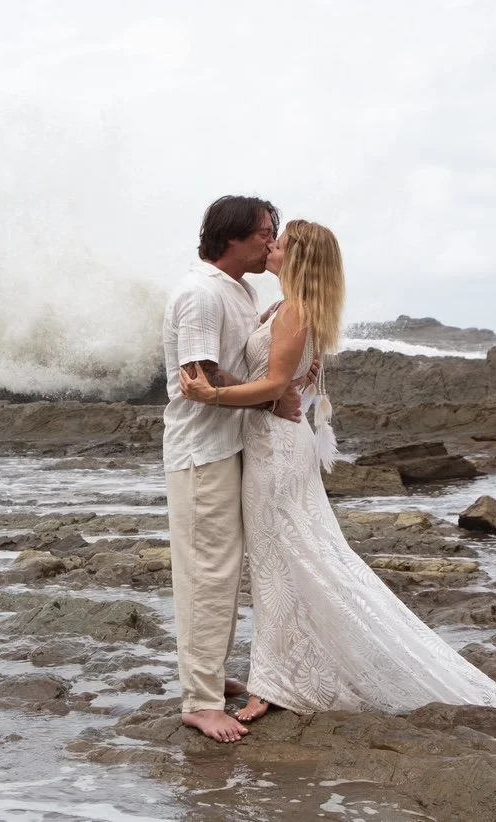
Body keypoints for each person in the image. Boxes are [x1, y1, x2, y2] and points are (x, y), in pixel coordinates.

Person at [181, 219, 496, 720]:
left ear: (298, 258)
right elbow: (281, 383)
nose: (271, 246)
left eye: (282, 242)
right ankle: (280, 674)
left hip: (277, 450)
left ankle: (275, 684)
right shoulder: (282, 307)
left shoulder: (295, 312)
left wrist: (211, 394)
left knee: (284, 561)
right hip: (270, 443)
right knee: (285, 561)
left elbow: (275, 385)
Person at [161, 195, 313, 744]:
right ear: (232, 238)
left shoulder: (239, 289)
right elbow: (197, 378)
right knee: (208, 573)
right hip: (201, 451)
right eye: (264, 234)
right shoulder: (201, 293)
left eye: (275, 235)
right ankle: (199, 701)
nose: (272, 245)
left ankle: (206, 673)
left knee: (222, 569)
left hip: (228, 446)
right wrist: (270, 401)